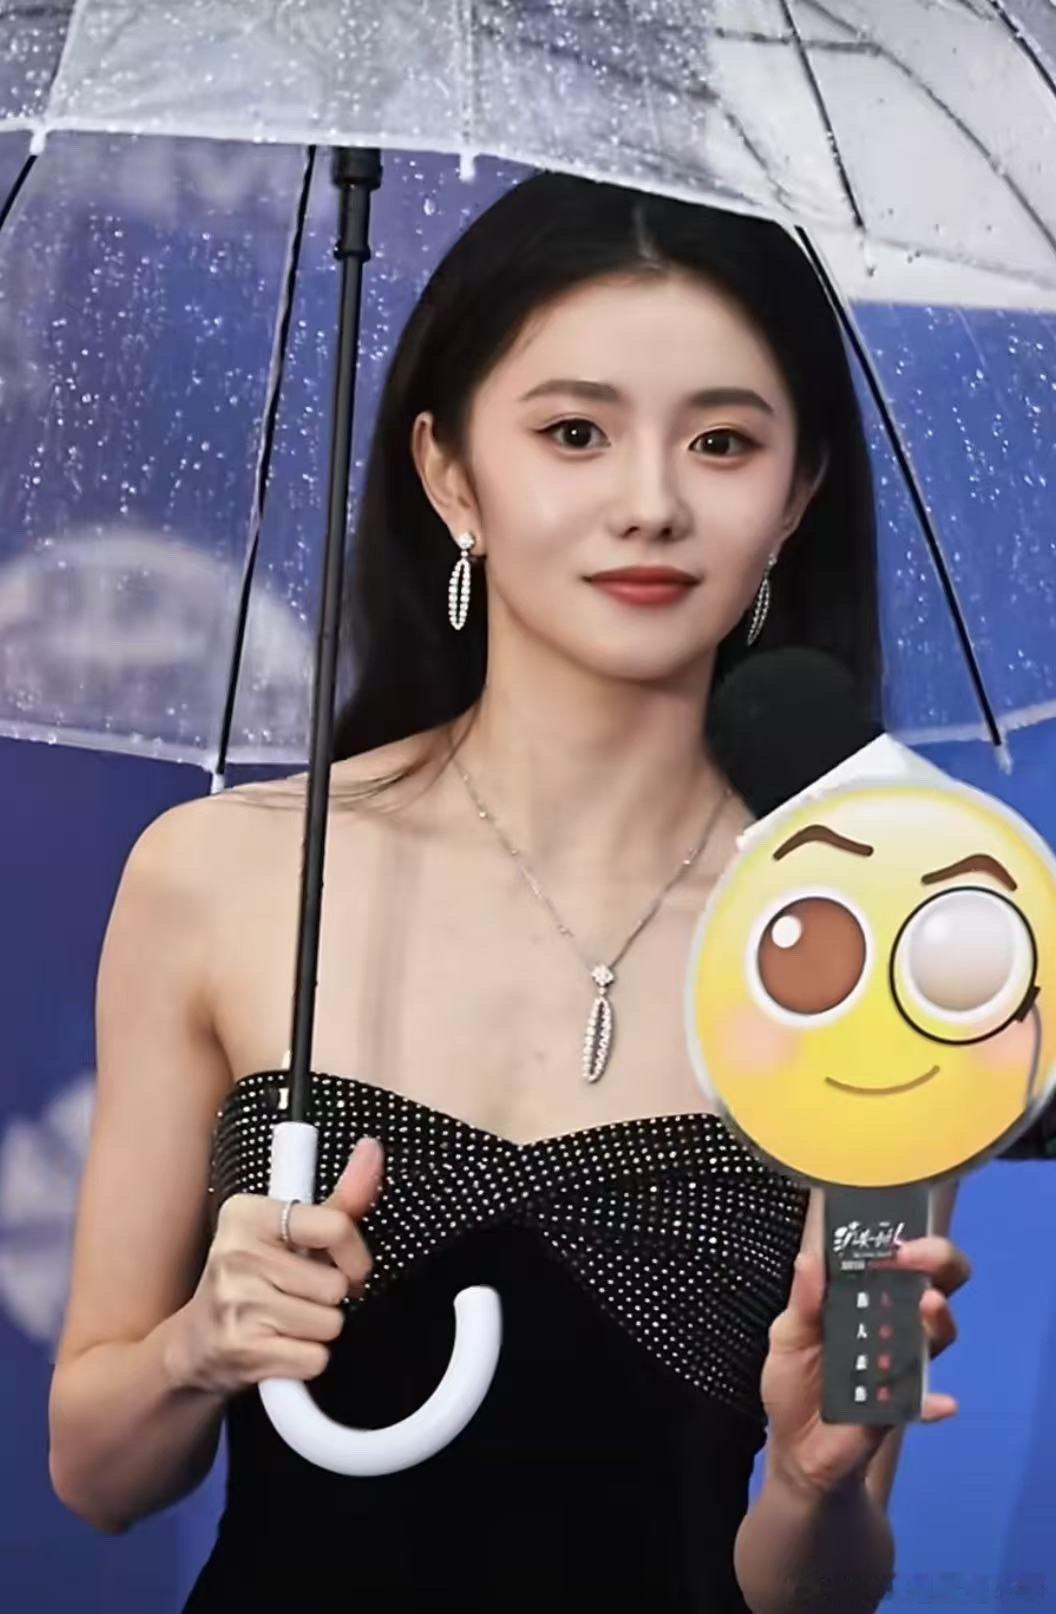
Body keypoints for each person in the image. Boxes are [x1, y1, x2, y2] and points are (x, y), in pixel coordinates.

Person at [48, 172, 970, 1611]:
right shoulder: (224, 874)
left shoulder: (888, 950)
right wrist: (195, 1346)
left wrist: (818, 1482)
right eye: (574, 432)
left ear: (797, 496)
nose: (651, 503)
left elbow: (825, 1588)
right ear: (452, 474)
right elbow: (98, 1473)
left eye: (723, 442)